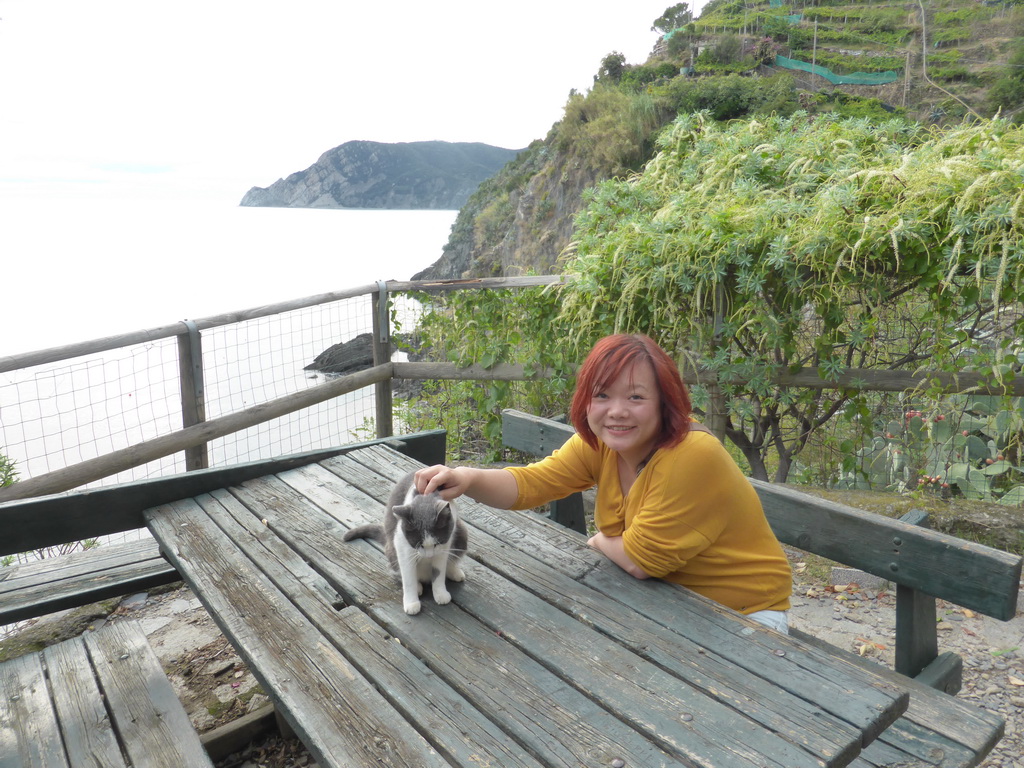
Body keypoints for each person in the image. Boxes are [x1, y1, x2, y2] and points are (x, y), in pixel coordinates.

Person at [415, 333, 792, 633]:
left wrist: (599, 540)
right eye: (603, 395)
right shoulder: (601, 444)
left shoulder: (692, 454)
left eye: (636, 396)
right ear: (586, 401)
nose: (617, 411)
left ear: (666, 402)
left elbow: (640, 562)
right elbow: (531, 483)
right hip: (668, 604)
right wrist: (467, 477)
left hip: (745, 618)